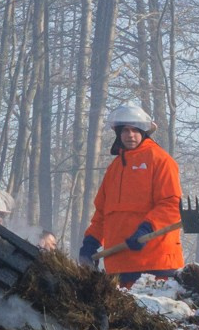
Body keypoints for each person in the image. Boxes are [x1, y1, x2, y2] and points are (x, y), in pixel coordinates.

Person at [79, 101, 184, 284]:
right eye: (125, 130)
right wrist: (90, 242)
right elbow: (102, 214)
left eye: (135, 130)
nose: (130, 135)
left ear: (144, 132)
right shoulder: (114, 169)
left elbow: (171, 204)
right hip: (119, 268)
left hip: (156, 265)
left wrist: (146, 229)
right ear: (118, 134)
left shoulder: (160, 160)